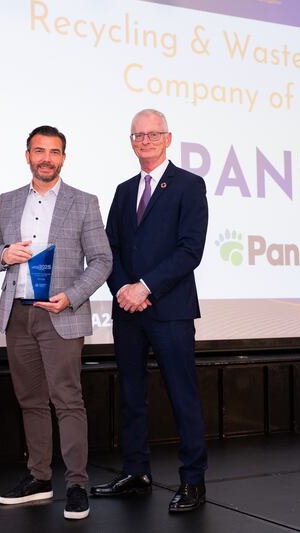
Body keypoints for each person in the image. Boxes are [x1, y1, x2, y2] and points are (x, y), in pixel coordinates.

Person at [0, 125, 111, 520]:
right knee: (31, 401)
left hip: (61, 315)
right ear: (27, 156)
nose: (46, 158)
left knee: (68, 401)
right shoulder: (8, 202)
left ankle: (76, 484)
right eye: (39, 151)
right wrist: (5, 255)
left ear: (63, 158)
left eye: (54, 152)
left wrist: (70, 297)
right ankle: (39, 478)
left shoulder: (84, 202)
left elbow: (103, 261)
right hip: (19, 315)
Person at [91, 109, 209, 512]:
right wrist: (124, 288)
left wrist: (145, 287)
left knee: (182, 395)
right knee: (131, 396)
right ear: (130, 142)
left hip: (170, 310)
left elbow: (190, 250)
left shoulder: (190, 186)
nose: (145, 140)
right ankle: (136, 473)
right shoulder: (124, 191)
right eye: (138, 135)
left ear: (168, 138)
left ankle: (193, 481)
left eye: (152, 134)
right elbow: (111, 248)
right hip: (128, 312)